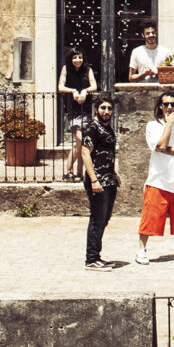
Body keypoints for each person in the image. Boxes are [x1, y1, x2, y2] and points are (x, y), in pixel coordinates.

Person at [136, 90, 174, 263]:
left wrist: (165, 150)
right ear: (160, 107)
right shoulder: (152, 126)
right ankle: (141, 250)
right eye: (166, 104)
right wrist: (168, 126)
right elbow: (159, 144)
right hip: (158, 180)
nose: (169, 108)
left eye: (172, 104)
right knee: (150, 217)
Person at [73, 95, 121, 270]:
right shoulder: (93, 128)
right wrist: (93, 179)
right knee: (96, 219)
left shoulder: (107, 129)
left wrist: (114, 173)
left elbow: (107, 153)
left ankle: (96, 256)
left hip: (109, 180)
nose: (106, 111)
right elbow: (85, 154)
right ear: (96, 109)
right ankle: (91, 259)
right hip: (97, 181)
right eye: (103, 108)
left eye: (109, 108)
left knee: (104, 219)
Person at [57, 50, 97, 180]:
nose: (78, 60)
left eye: (80, 57)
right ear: (71, 59)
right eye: (75, 57)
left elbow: (94, 86)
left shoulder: (87, 70)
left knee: (82, 143)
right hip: (73, 109)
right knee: (80, 140)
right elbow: (60, 87)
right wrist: (73, 90)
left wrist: (85, 91)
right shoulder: (66, 69)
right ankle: (69, 170)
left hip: (85, 109)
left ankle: (78, 172)